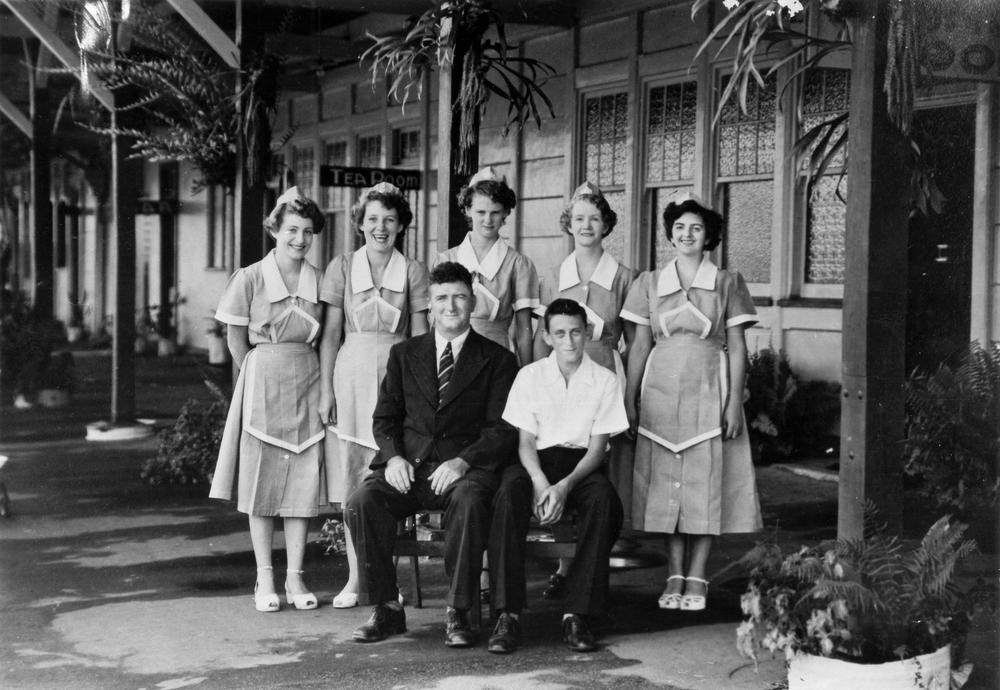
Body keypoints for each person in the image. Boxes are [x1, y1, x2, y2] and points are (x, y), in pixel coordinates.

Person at [344, 261, 518, 647]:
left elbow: (502, 429)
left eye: (459, 297)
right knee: (362, 500)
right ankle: (388, 608)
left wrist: (463, 461)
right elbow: (385, 419)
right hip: (411, 468)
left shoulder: (498, 359)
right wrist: (392, 458)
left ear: (472, 302)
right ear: (430, 305)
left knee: (471, 500)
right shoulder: (405, 354)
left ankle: (458, 612)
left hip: (465, 471)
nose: (451, 306)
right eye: (442, 298)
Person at [620, 193, 762, 612]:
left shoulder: (727, 282)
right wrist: (629, 400)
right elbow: (639, 345)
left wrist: (734, 400)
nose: (687, 234)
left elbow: (737, 346)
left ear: (709, 237)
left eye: (696, 229)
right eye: (679, 227)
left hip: (708, 387)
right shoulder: (648, 283)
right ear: (669, 234)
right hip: (659, 391)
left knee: (703, 483)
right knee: (665, 485)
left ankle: (697, 575)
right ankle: (674, 573)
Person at [209, 186, 327, 613]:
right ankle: (264, 579)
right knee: (261, 484)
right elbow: (234, 338)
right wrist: (253, 377)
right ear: (274, 229)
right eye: (292, 229)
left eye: (308, 231)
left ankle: (296, 577)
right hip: (262, 379)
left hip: (308, 378)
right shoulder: (251, 277)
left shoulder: (320, 279)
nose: (300, 239)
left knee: (302, 480)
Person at [487, 298, 626, 654]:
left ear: (587, 333)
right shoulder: (529, 376)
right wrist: (540, 483)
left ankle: (577, 613)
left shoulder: (605, 380)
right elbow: (525, 443)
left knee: (604, 501)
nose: (569, 341)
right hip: (534, 463)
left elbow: (597, 450)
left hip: (580, 466)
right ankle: (508, 614)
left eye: (576, 332)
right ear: (546, 336)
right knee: (507, 494)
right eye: (560, 333)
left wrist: (564, 487)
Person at [318, 182, 429, 608]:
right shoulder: (342, 266)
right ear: (360, 224)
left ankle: (390, 581)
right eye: (372, 220)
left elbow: (419, 340)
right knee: (352, 482)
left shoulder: (413, 271)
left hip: (395, 377)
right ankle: (356, 579)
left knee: (390, 478)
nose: (380, 227)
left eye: (389, 220)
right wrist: (327, 390)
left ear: (401, 224)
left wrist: (419, 396)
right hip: (350, 375)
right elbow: (329, 336)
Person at [532, 180, 636, 600]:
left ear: (607, 224)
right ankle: (562, 564)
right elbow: (542, 338)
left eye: (595, 217)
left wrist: (629, 396)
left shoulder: (624, 277)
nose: (586, 225)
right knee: (561, 458)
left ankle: (592, 565)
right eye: (578, 218)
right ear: (568, 225)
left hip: (605, 374)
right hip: (560, 378)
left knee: (601, 469)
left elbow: (635, 338)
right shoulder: (554, 276)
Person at [434, 166, 538, 366]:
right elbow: (434, 321)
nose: (488, 220)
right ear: (467, 209)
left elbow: (525, 330)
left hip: (496, 357)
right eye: (480, 212)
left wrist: (526, 376)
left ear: (506, 212)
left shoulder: (518, 264)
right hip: (451, 356)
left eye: (495, 212)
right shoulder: (446, 259)